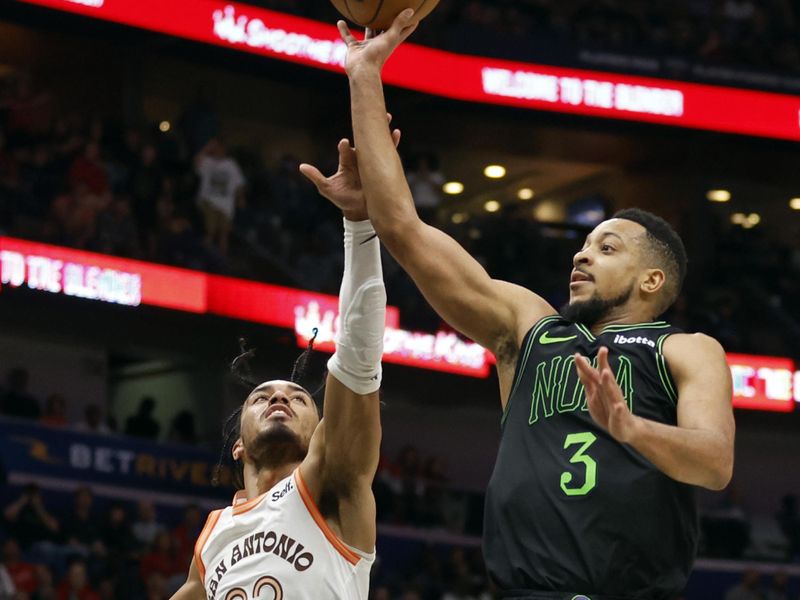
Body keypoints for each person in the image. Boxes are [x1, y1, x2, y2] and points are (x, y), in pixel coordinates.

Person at [299, 11, 735, 598]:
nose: (581, 257)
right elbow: (403, 226)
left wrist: (632, 428)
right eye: (581, 246)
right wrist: (364, 73)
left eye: (606, 248)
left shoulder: (685, 349)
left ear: (654, 279)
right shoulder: (531, 328)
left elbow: (714, 462)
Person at [170, 209, 387, 598]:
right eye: (261, 397)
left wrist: (358, 226)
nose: (280, 397)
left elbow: (357, 357)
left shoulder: (332, 488)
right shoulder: (211, 540)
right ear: (237, 444)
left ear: (319, 431)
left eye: (299, 398)